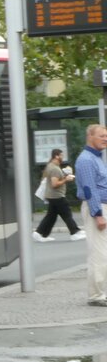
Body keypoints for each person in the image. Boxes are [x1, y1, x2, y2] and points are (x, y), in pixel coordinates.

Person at [75, 125, 107, 306]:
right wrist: (98, 214)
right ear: (90, 137)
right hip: (98, 209)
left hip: (102, 207)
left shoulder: (96, 158)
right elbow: (89, 189)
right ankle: (96, 296)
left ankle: (100, 292)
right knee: (99, 253)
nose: (106, 139)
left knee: (103, 252)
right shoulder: (87, 160)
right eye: (102, 136)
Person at [34, 148, 83, 243]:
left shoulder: (51, 166)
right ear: (56, 156)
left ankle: (40, 233)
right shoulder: (54, 168)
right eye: (61, 155)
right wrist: (66, 179)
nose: (62, 157)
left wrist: (64, 175)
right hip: (57, 196)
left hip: (52, 196)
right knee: (67, 214)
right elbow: (54, 184)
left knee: (51, 216)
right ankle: (75, 232)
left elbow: (54, 180)